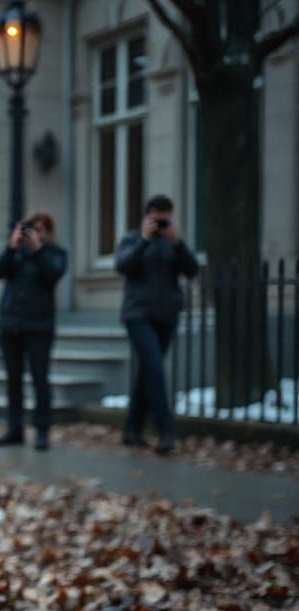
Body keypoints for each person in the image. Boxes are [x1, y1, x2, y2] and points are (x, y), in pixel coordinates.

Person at [115, 194, 199, 455]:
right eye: (157, 219)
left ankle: (132, 429)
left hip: (166, 316)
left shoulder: (172, 243)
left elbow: (192, 270)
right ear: (147, 216)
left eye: (165, 219)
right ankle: (166, 430)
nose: (161, 224)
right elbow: (122, 265)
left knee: (147, 372)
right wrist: (144, 240)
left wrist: (178, 243)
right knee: (154, 368)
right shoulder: (132, 239)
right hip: (138, 315)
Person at [0, 211, 67, 450]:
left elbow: (53, 274)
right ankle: (15, 429)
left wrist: (37, 250)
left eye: (40, 230)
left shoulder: (55, 253)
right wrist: (11, 247)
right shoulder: (16, 254)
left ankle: (42, 431)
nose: (34, 234)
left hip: (39, 327)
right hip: (10, 326)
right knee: (13, 380)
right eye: (31, 229)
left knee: (40, 378)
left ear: (48, 233)